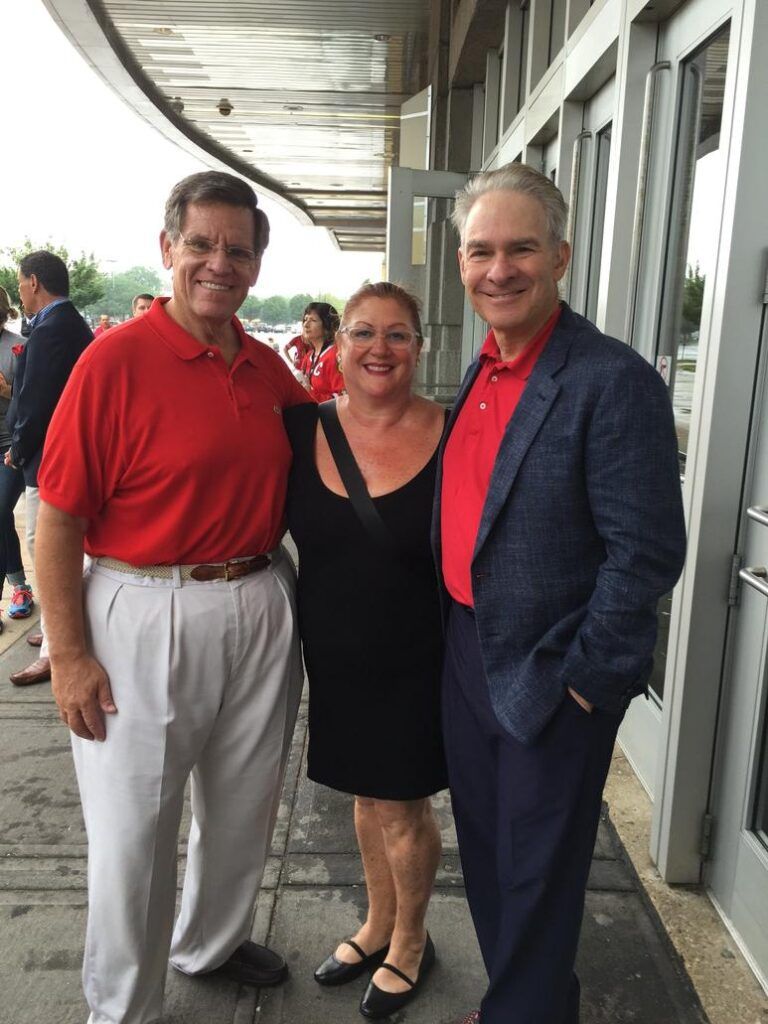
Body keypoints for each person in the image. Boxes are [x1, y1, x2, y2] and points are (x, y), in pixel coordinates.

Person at [34, 170, 311, 1024]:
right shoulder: (113, 362)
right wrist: (70, 655)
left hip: (260, 595)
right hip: (142, 609)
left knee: (244, 801)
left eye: (238, 249)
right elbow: (57, 522)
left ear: (257, 266)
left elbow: (338, 463)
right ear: (168, 250)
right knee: (134, 834)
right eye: (201, 244)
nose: (218, 264)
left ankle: (211, 943)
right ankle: (122, 1008)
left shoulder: (267, 369)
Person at [436, 163, 687, 1024]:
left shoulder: (611, 381)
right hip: (468, 652)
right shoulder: (480, 370)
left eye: (521, 249)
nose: (498, 269)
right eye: (480, 251)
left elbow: (648, 552)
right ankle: (528, 1001)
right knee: (490, 857)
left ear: (562, 257)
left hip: (553, 670)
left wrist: (588, 682)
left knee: (538, 873)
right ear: (461, 262)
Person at [285, 282, 446, 1020]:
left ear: (420, 346)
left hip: (418, 655)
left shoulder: (453, 433)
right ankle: (377, 923)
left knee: (404, 806)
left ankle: (412, 941)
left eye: (398, 335)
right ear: (337, 346)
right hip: (337, 655)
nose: (379, 348)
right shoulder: (300, 429)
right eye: (363, 333)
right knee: (364, 795)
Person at [6, 251, 93, 686]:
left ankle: (60, 640)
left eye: (21, 283)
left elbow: (36, 401)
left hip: (50, 459)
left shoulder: (53, 329)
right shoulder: (64, 324)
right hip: (58, 455)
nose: (20, 291)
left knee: (48, 544)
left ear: (34, 282)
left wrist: (19, 448)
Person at [0, 287, 32, 633]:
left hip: (9, 448)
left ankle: (19, 587)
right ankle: (19, 586)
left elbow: (29, 404)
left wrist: (7, 392)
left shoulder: (18, 346)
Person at [298, 301, 345, 401]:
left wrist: (310, 392)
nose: (306, 324)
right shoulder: (309, 356)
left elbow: (343, 398)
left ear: (327, 326)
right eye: (305, 319)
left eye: (313, 320)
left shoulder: (337, 355)